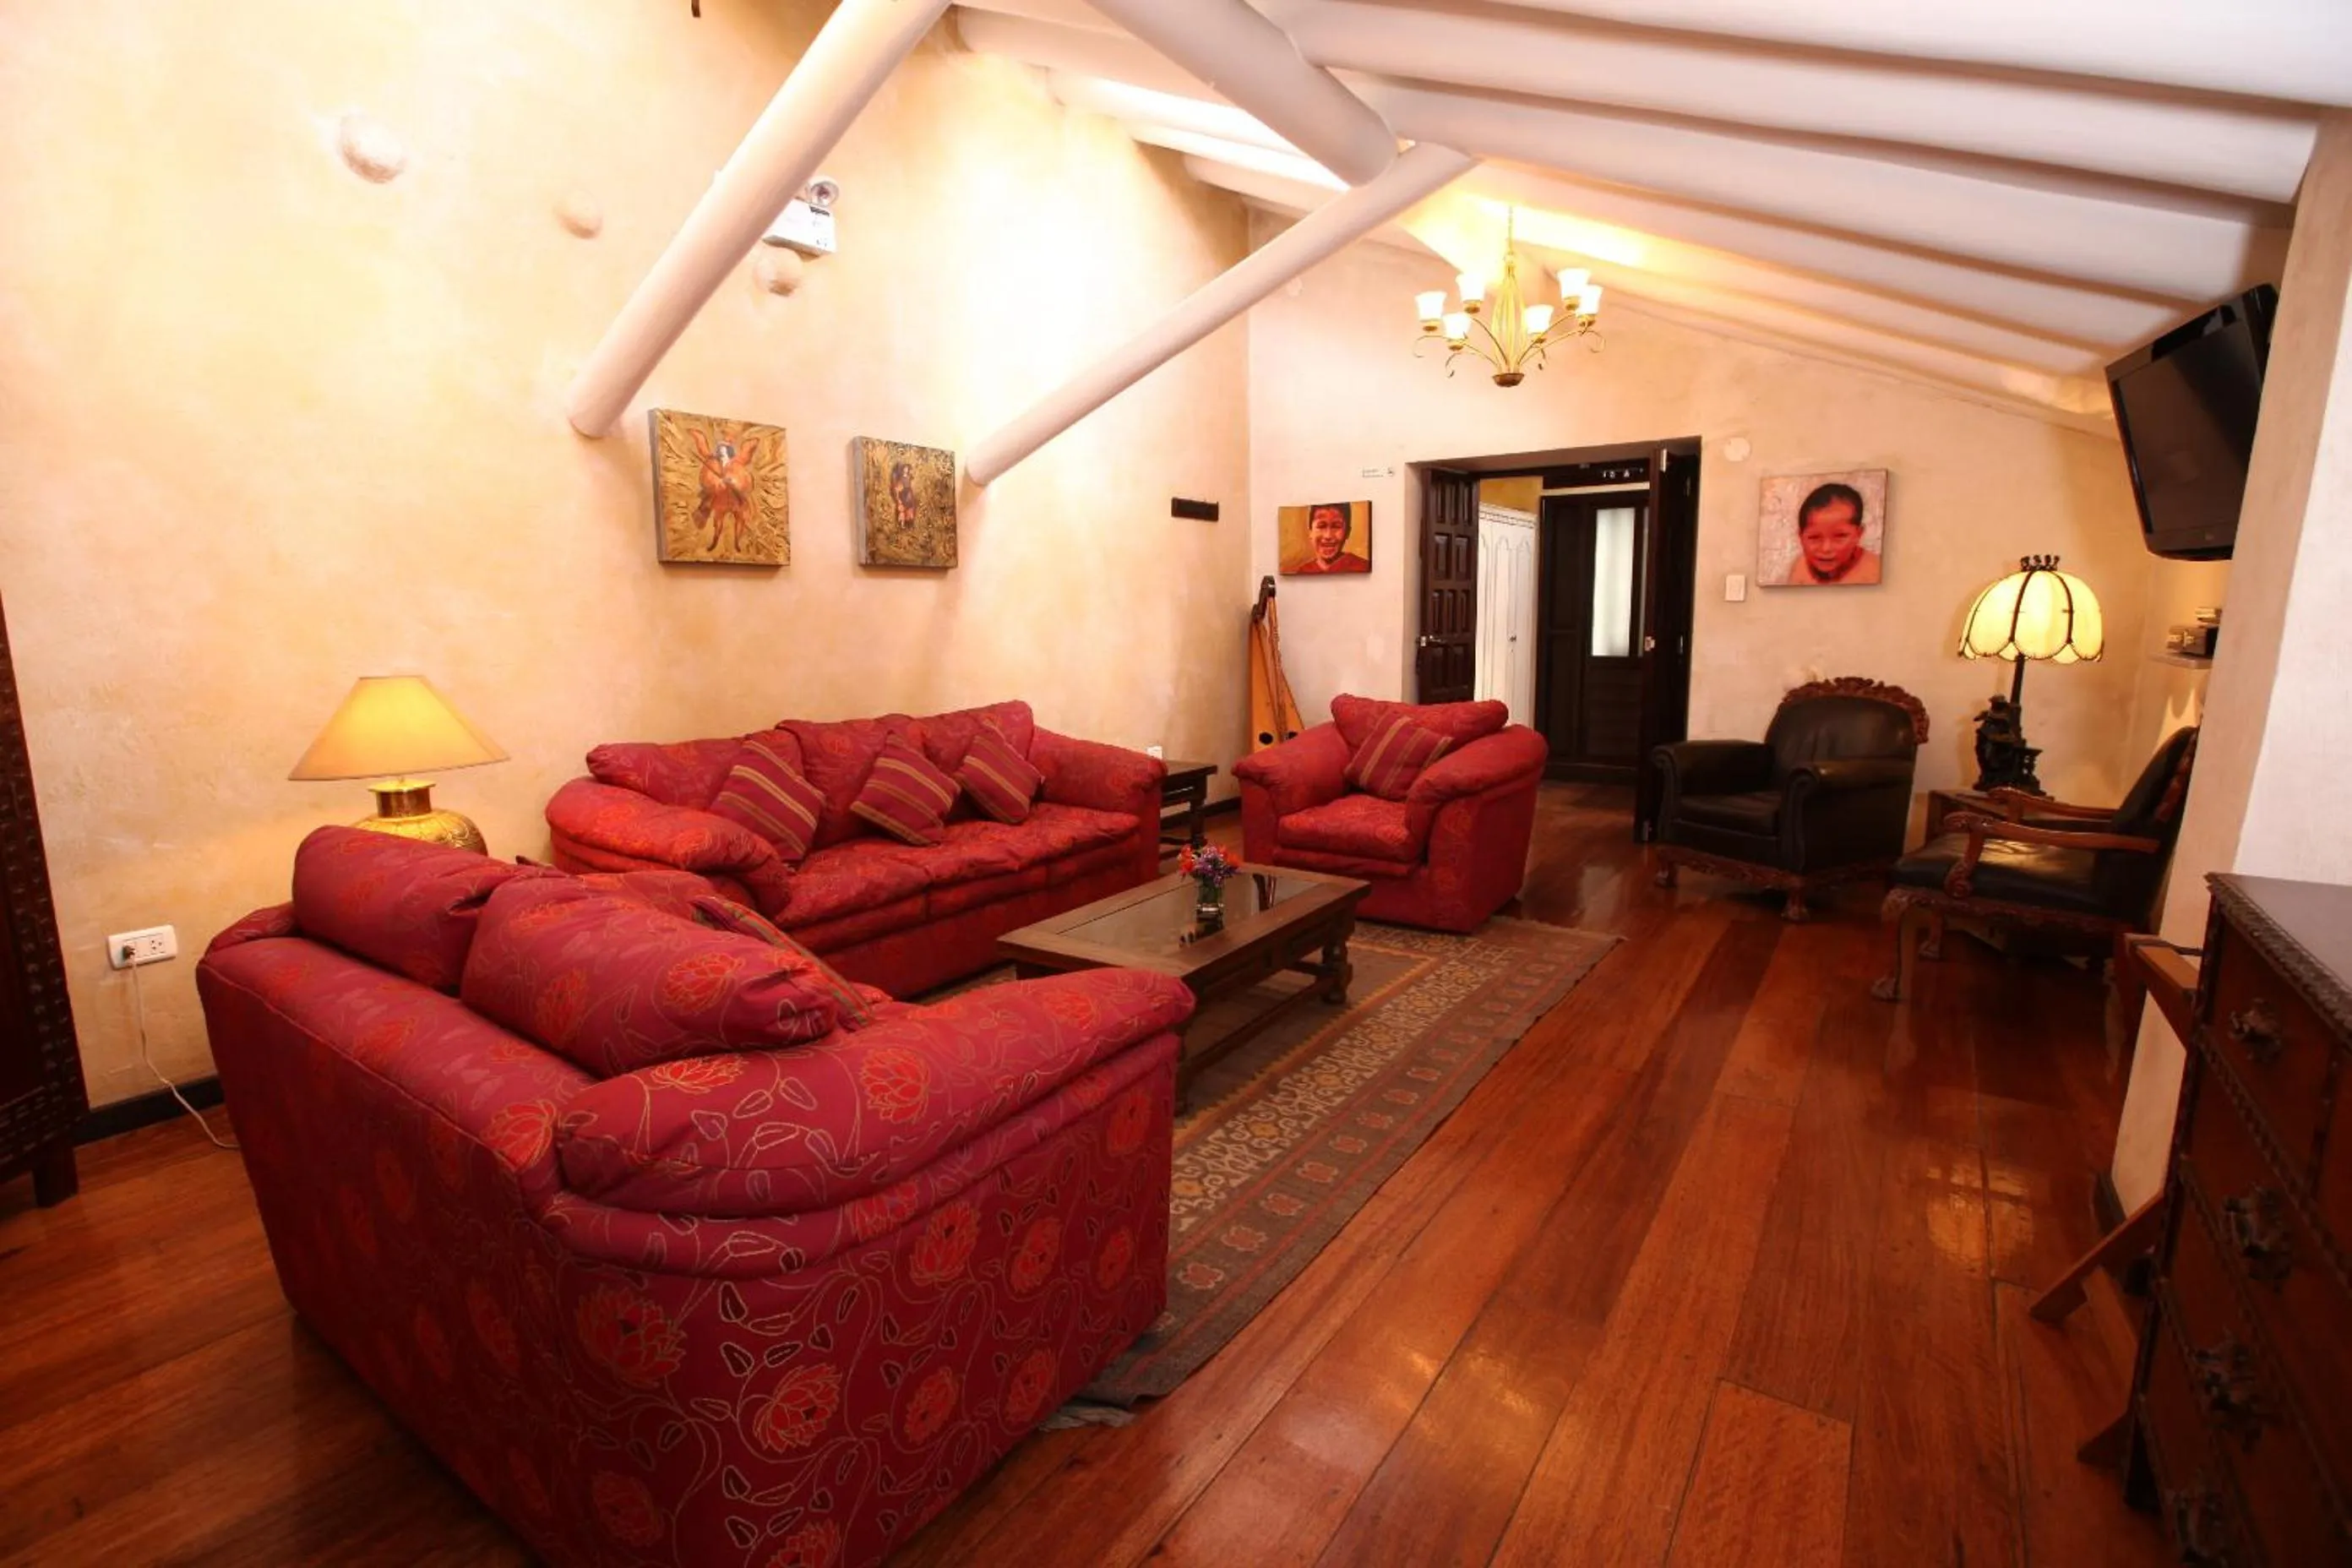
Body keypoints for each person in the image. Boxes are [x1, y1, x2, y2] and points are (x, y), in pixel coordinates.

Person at [1783, 481, 1881, 585]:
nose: (1826, 549)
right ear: (1801, 537)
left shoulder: (1873, 571)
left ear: (1858, 534)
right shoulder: (1800, 567)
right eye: (1814, 538)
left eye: (1840, 537)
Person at [1290, 502, 1370, 574]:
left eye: (1336, 526)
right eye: (1321, 526)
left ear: (1347, 532)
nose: (1328, 536)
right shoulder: (1304, 571)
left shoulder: (1362, 567)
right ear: (1311, 532)